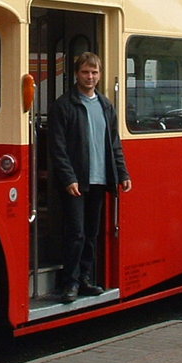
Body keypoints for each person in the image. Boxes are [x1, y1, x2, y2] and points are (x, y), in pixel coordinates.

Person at [48, 51, 131, 303]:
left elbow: (114, 143)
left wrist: (122, 173)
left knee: (92, 233)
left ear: (100, 75)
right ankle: (69, 283)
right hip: (76, 182)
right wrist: (68, 178)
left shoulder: (106, 105)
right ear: (76, 74)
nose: (90, 77)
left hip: (100, 179)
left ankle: (85, 279)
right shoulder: (63, 105)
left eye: (94, 72)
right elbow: (57, 147)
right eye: (85, 72)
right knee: (75, 233)